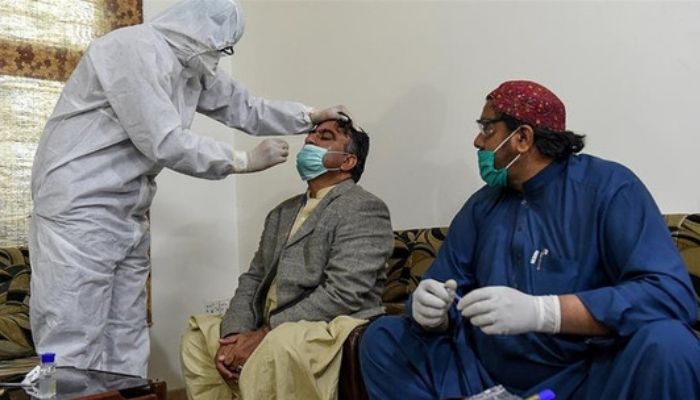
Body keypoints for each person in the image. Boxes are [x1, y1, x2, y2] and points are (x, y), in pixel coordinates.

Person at [29, 0, 348, 378]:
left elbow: (246, 107)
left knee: (125, 332)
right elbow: (163, 140)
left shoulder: (190, 66)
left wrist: (308, 115)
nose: (219, 56)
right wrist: (241, 160)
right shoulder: (129, 49)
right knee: (73, 331)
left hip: (127, 212)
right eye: (222, 46)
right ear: (202, 32)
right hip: (79, 205)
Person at [359, 80, 700, 400]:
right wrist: (431, 311)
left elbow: (670, 295)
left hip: (585, 376)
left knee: (670, 345)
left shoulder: (610, 187)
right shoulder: (483, 204)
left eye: (487, 129)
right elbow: (446, 283)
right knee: (383, 338)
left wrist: (545, 312)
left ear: (522, 138)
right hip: (486, 377)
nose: (478, 142)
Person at [180, 117, 394, 400]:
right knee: (199, 336)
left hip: (333, 324)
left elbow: (345, 292)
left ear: (347, 162)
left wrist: (265, 333)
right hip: (271, 323)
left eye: (325, 136)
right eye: (311, 134)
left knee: (278, 345)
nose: (310, 140)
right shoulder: (282, 212)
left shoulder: (364, 207)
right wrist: (234, 335)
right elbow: (253, 279)